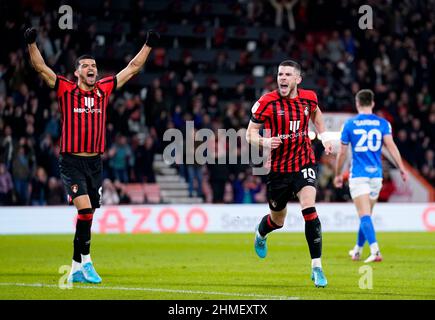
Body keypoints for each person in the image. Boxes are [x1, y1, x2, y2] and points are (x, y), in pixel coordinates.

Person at [24, 27, 160, 284]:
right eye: (85, 65)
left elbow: (132, 68)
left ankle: (77, 266)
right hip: (71, 161)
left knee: (87, 215)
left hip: (95, 162)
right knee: (85, 210)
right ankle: (87, 262)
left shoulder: (104, 88)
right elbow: (41, 68)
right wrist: (31, 43)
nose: (91, 68)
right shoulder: (65, 88)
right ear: (76, 72)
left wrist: (148, 45)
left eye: (94, 65)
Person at [246, 60, 333, 288]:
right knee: (278, 220)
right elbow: (249, 134)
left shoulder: (309, 98)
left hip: (304, 162)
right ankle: (261, 233)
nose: (282, 78)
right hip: (278, 170)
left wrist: (323, 136)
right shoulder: (267, 102)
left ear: (297, 79)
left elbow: (316, 115)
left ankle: (317, 267)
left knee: (309, 209)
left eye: (287, 75)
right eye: (279, 74)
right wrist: (265, 141)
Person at [333, 89, 408, 263]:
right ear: (372, 103)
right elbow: (391, 147)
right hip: (376, 176)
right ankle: (357, 250)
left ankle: (375, 251)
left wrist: (337, 174)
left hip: (359, 175)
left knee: (364, 214)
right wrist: (402, 168)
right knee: (366, 214)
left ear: (357, 103)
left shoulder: (350, 124)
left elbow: (342, 154)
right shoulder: (383, 123)